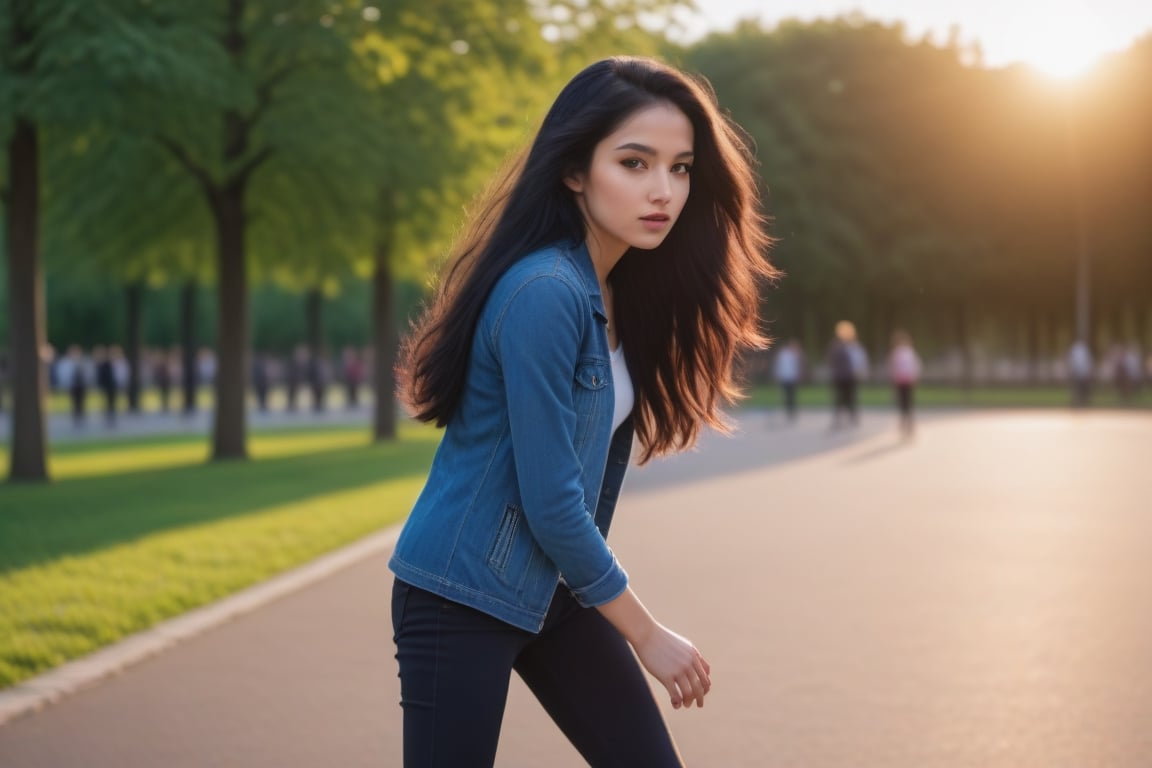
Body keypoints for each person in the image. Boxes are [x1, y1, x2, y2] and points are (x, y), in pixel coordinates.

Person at [388, 56, 776, 767]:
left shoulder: (617, 291)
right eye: (635, 163)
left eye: (681, 168)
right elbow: (553, 501)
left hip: (554, 590)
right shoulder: (546, 292)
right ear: (574, 171)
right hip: (459, 591)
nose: (663, 190)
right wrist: (646, 633)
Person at [828, 320, 864, 429]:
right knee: (839, 398)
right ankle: (839, 419)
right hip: (840, 377)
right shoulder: (836, 347)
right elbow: (831, 361)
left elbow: (859, 361)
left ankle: (852, 417)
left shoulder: (854, 347)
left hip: (850, 376)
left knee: (851, 398)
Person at [888, 329, 922, 437]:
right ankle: (908, 423)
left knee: (903, 403)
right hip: (908, 380)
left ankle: (905, 422)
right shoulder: (910, 352)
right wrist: (915, 377)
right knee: (908, 403)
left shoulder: (897, 353)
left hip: (901, 380)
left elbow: (893, 368)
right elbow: (916, 366)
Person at [773, 338, 803, 422]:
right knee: (787, 396)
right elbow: (779, 366)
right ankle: (788, 411)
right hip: (785, 377)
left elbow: (797, 367)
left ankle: (791, 412)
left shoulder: (795, 355)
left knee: (792, 396)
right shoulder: (783, 354)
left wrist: (798, 375)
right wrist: (777, 375)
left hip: (792, 378)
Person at [1067, 338, 1093, 407]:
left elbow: (1088, 361)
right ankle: (1076, 402)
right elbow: (1072, 360)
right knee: (1076, 387)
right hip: (1077, 371)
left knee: (1083, 388)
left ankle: (1083, 402)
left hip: (1083, 371)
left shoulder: (1085, 349)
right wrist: (1071, 369)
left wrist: (1088, 370)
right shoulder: (1075, 349)